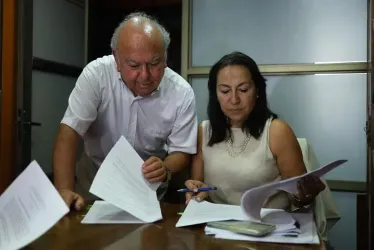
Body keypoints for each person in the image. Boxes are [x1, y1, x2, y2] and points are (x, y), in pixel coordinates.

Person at [53, 12, 197, 211]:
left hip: (147, 191)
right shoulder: (96, 76)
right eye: (134, 65)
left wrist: (165, 168)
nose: (145, 75)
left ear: (165, 58)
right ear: (117, 59)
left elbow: (181, 151)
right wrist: (64, 189)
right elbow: (69, 132)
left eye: (154, 63)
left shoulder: (181, 93)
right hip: (93, 185)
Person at [185, 51, 325, 210]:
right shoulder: (204, 132)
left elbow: (298, 200)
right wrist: (196, 191)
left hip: (269, 227)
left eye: (243, 90)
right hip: (218, 228)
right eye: (225, 91)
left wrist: (304, 196)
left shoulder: (276, 131)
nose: (234, 100)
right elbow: (198, 187)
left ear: (257, 91)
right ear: (215, 95)